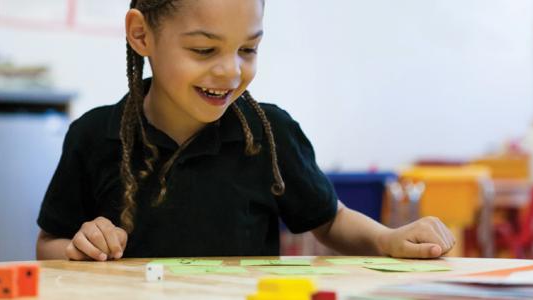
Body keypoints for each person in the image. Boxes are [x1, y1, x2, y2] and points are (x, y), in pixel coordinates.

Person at [36, 0, 455, 261]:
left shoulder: (270, 132)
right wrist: (77, 247)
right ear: (141, 34)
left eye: (248, 49)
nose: (231, 71)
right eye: (204, 50)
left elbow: (330, 220)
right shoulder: (93, 135)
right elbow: (48, 244)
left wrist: (389, 239)